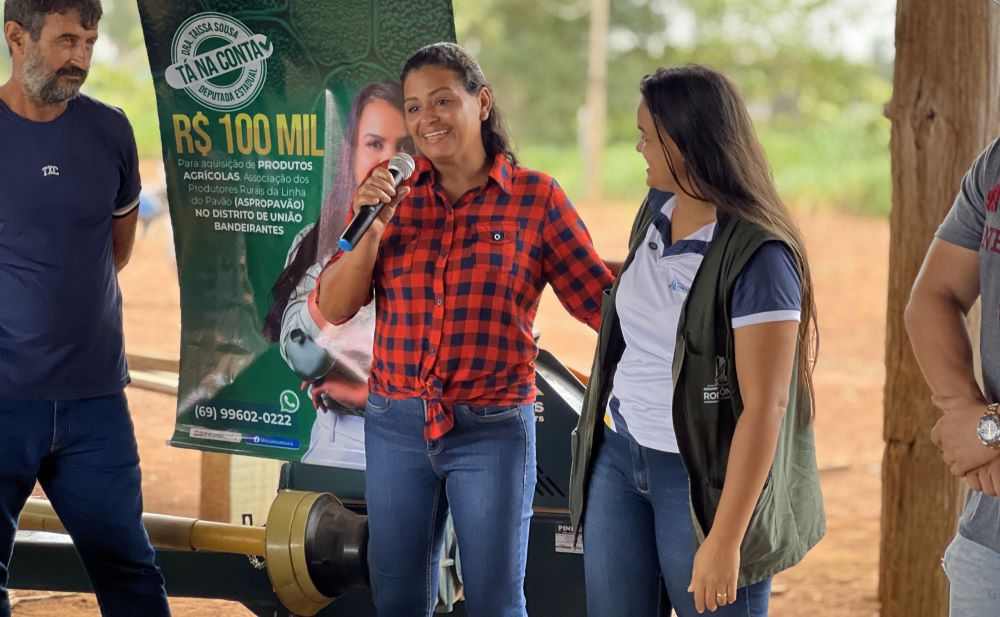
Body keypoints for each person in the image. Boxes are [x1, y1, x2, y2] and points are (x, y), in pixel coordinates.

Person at [313, 42, 614, 617]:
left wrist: (689, 332)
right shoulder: (389, 191)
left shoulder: (536, 198)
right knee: (398, 598)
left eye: (444, 100)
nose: (428, 118)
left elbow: (598, 302)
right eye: (415, 106)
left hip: (492, 430)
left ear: (482, 102)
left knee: (496, 601)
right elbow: (335, 304)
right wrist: (373, 227)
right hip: (396, 423)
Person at [568, 65, 825, 617]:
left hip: (700, 482)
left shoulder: (760, 255)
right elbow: (649, 318)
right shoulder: (656, 209)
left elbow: (766, 407)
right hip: (618, 456)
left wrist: (726, 539)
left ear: (686, 142)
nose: (637, 147)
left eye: (647, 136)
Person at [0, 1, 170, 615]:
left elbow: (115, 250)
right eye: (66, 39)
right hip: (2, 400)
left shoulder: (110, 130)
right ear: (16, 37)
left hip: (94, 404)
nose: (81, 57)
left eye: (91, 41)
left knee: (131, 572)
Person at [262, 81, 410, 469]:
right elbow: (297, 347)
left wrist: (367, 396)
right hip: (338, 441)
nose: (389, 163)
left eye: (405, 149)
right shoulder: (318, 239)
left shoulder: (446, 244)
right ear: (351, 153)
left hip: (424, 444)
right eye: (375, 144)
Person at [907, 137, 1000, 616]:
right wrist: (964, 408)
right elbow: (933, 297)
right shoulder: (995, 162)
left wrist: (992, 428)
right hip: (990, 540)